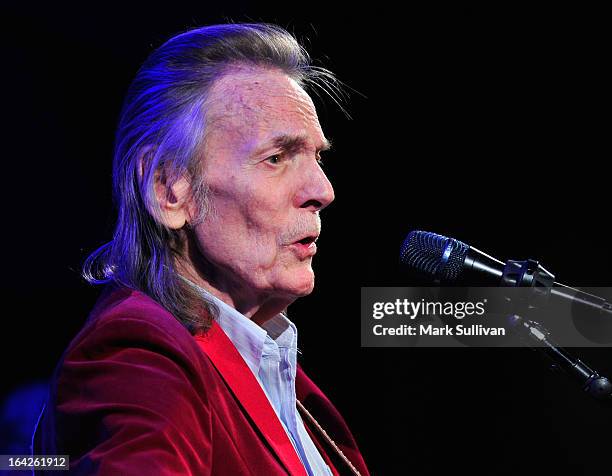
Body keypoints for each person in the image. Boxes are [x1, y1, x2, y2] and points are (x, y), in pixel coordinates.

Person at [33, 23, 369, 475]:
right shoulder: (138, 355)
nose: (322, 189)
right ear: (170, 190)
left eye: (318, 157)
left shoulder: (287, 388)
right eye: (276, 158)